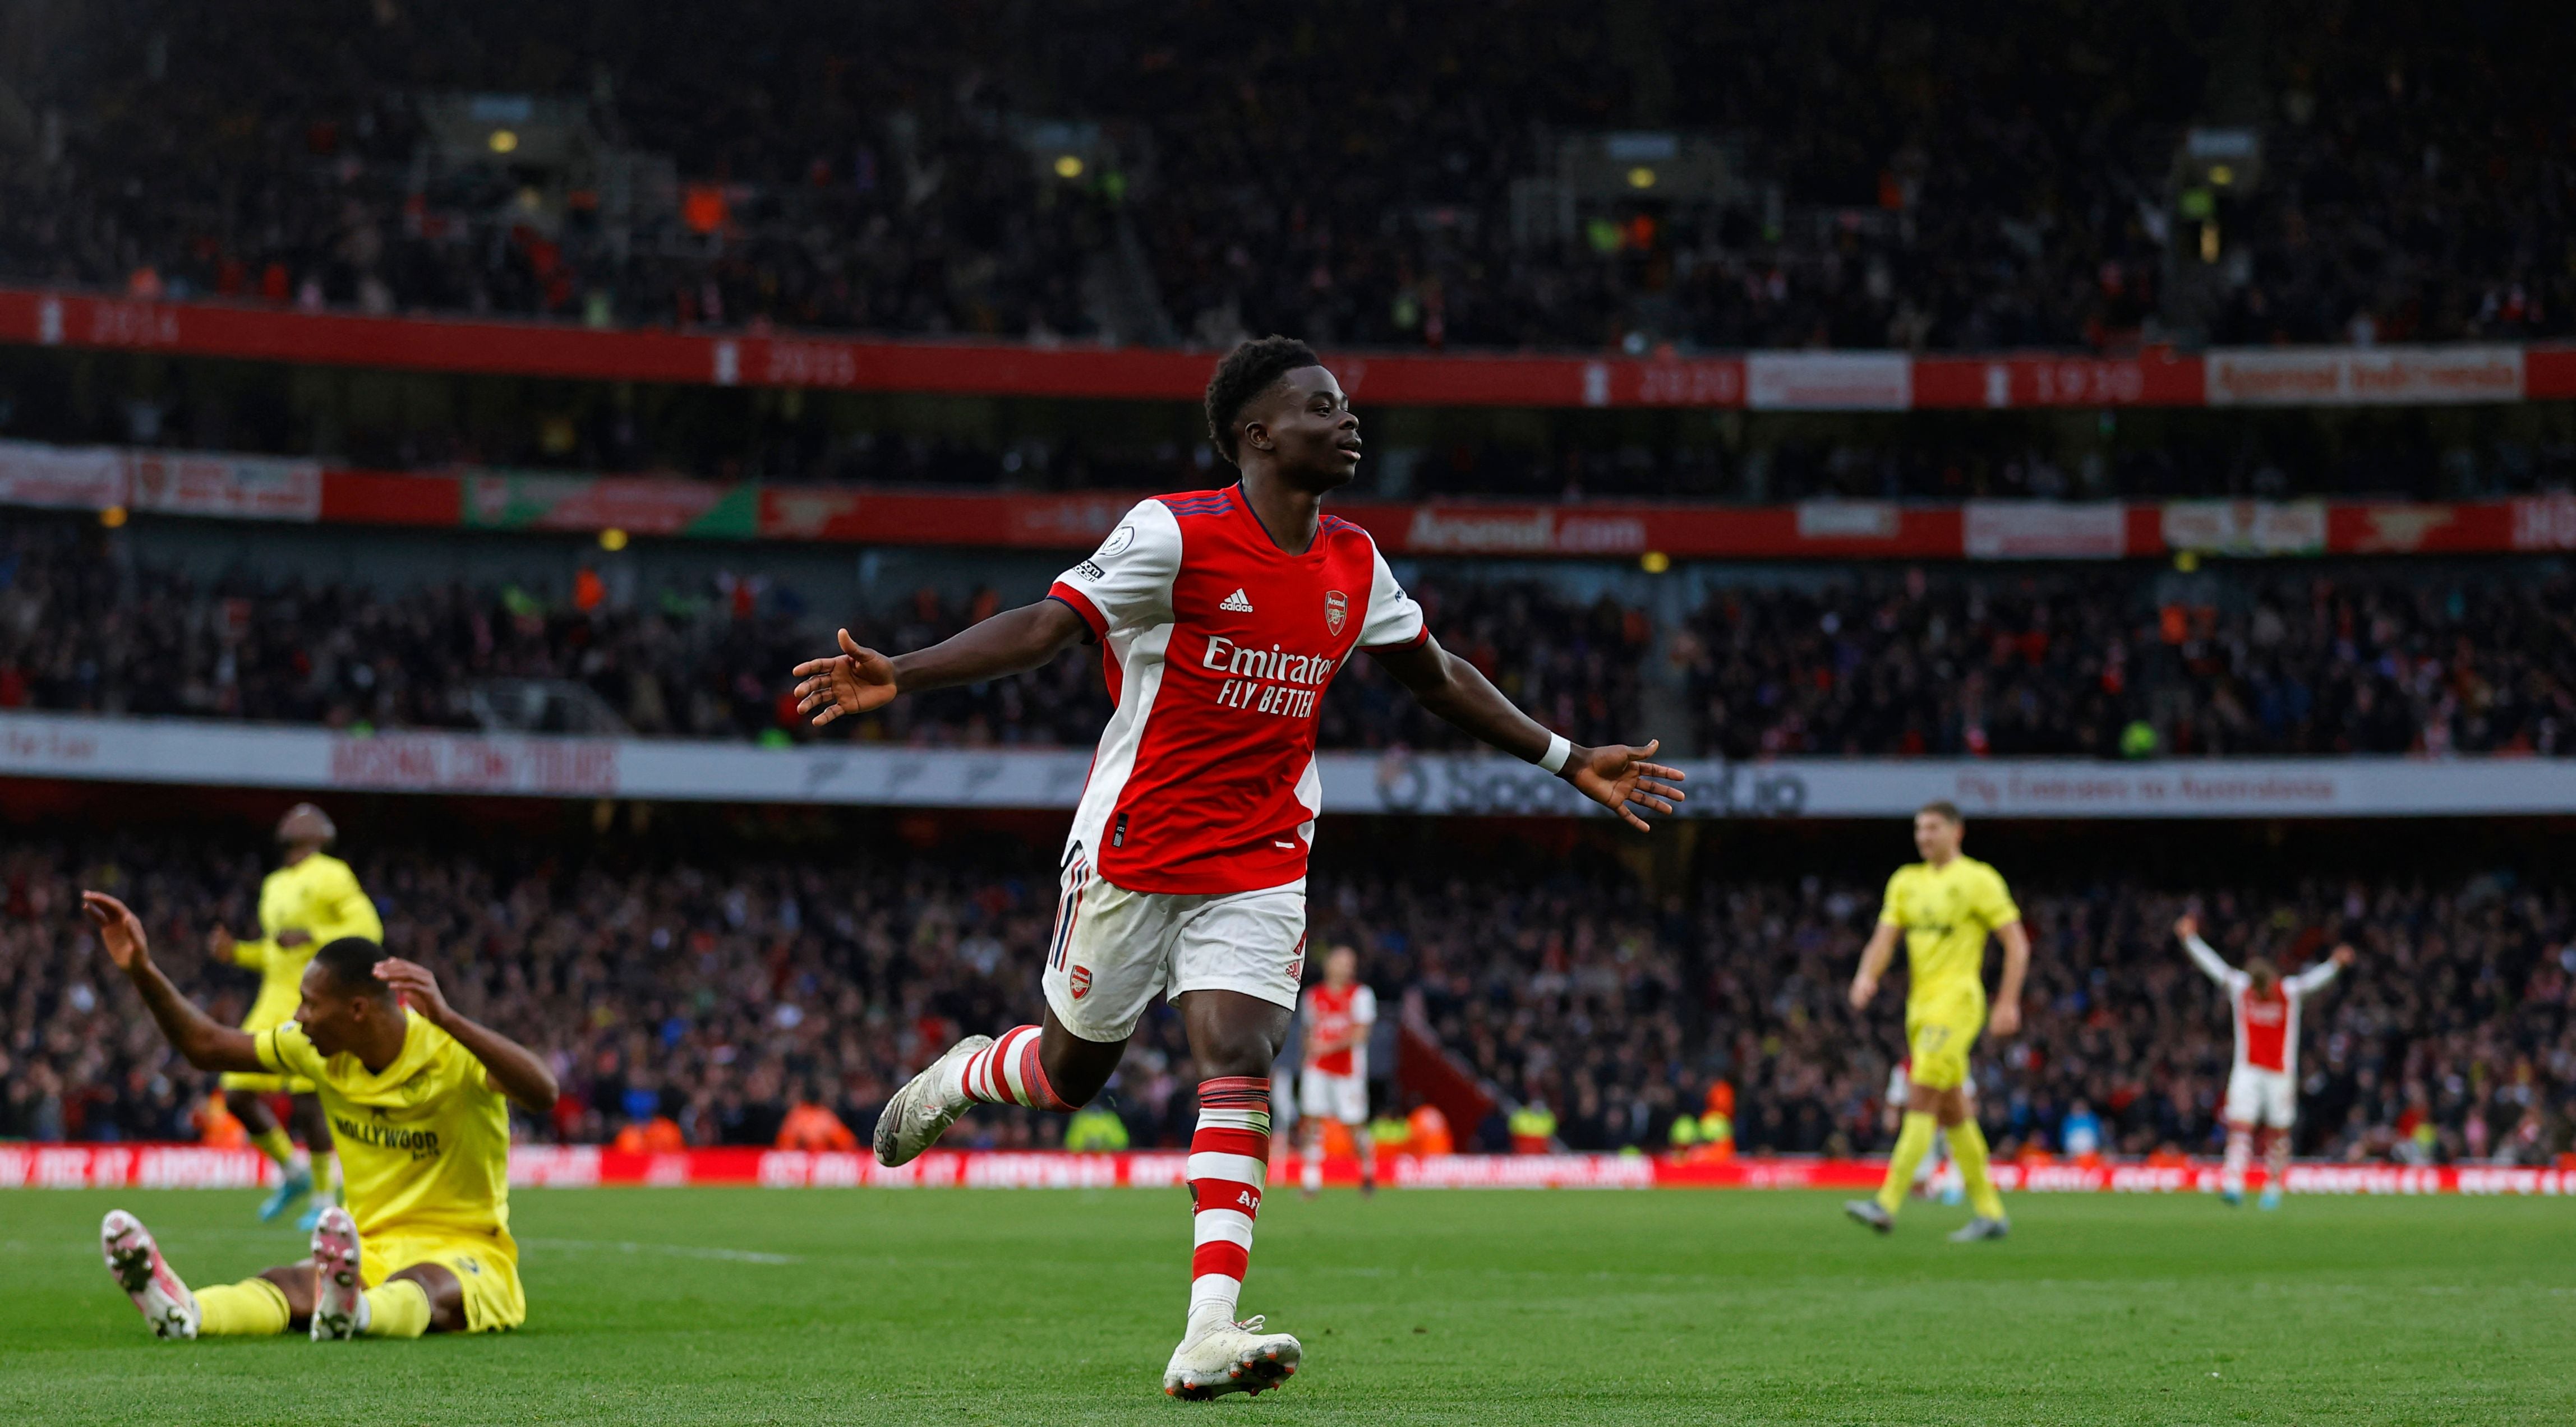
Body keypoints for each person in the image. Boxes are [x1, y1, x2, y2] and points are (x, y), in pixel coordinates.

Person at [792, 335, 1685, 1399]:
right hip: (1135, 846)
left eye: (1345, 404)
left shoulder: (1355, 561)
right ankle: (967, 1072)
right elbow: (1045, 627)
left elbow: (1434, 675)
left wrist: (1567, 757)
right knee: (1074, 1074)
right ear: (1258, 433)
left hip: (1261, 852)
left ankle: (1206, 1329)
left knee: (1240, 1045)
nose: (1347, 419)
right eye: (1320, 406)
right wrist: (906, 671)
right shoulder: (1173, 534)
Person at [82, 890, 556, 1341]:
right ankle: (189, 1310)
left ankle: (356, 1311)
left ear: (357, 1009)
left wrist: (450, 1019)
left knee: (428, 1285)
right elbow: (205, 1046)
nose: (299, 1014)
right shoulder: (315, 1048)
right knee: (286, 1282)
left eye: (311, 1001)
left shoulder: (452, 1050)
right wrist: (141, 969)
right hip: (366, 1248)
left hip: (468, 1250)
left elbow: (543, 1092)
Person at [1844, 802, 2030, 1241]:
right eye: (1918, 829)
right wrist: (1866, 975)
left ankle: (1886, 1203)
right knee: (1953, 1109)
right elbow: (1883, 939)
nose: (1923, 837)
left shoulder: (1978, 880)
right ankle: (1990, 1212)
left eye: (1932, 828)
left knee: (1920, 1094)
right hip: (1919, 1007)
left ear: (1956, 832)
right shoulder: (1905, 881)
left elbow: (2017, 944)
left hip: (1958, 1003)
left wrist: (2007, 1001)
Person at [208, 803, 381, 1229]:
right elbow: (276, 950)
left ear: (317, 834)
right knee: (236, 1093)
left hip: (315, 998)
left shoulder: (333, 873)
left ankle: (324, 1196)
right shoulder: (275, 884)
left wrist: (314, 935)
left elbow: (368, 930)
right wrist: (237, 953)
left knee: (308, 1101)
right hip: (272, 1000)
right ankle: (293, 1171)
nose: (292, 819)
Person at [2174, 914, 2354, 1208]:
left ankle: (2273, 1187)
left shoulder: (2287, 992)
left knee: (2278, 1133)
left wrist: (2336, 964)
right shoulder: (2242, 988)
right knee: (2240, 1127)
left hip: (2280, 1073)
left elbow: (2314, 981)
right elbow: (2214, 966)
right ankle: (2233, 1184)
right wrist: (2190, 940)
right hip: (2248, 1070)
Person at [1296, 944, 1378, 1198]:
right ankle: (1311, 1180)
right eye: (1341, 961)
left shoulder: (1361, 995)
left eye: (1350, 962)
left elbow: (1361, 1034)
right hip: (1317, 1069)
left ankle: (1367, 1173)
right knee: (1312, 1121)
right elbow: (1308, 1034)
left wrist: (1327, 1046)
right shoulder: (1313, 996)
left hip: (1348, 1070)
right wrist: (1310, 1049)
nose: (1346, 967)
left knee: (1354, 1123)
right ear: (1329, 964)